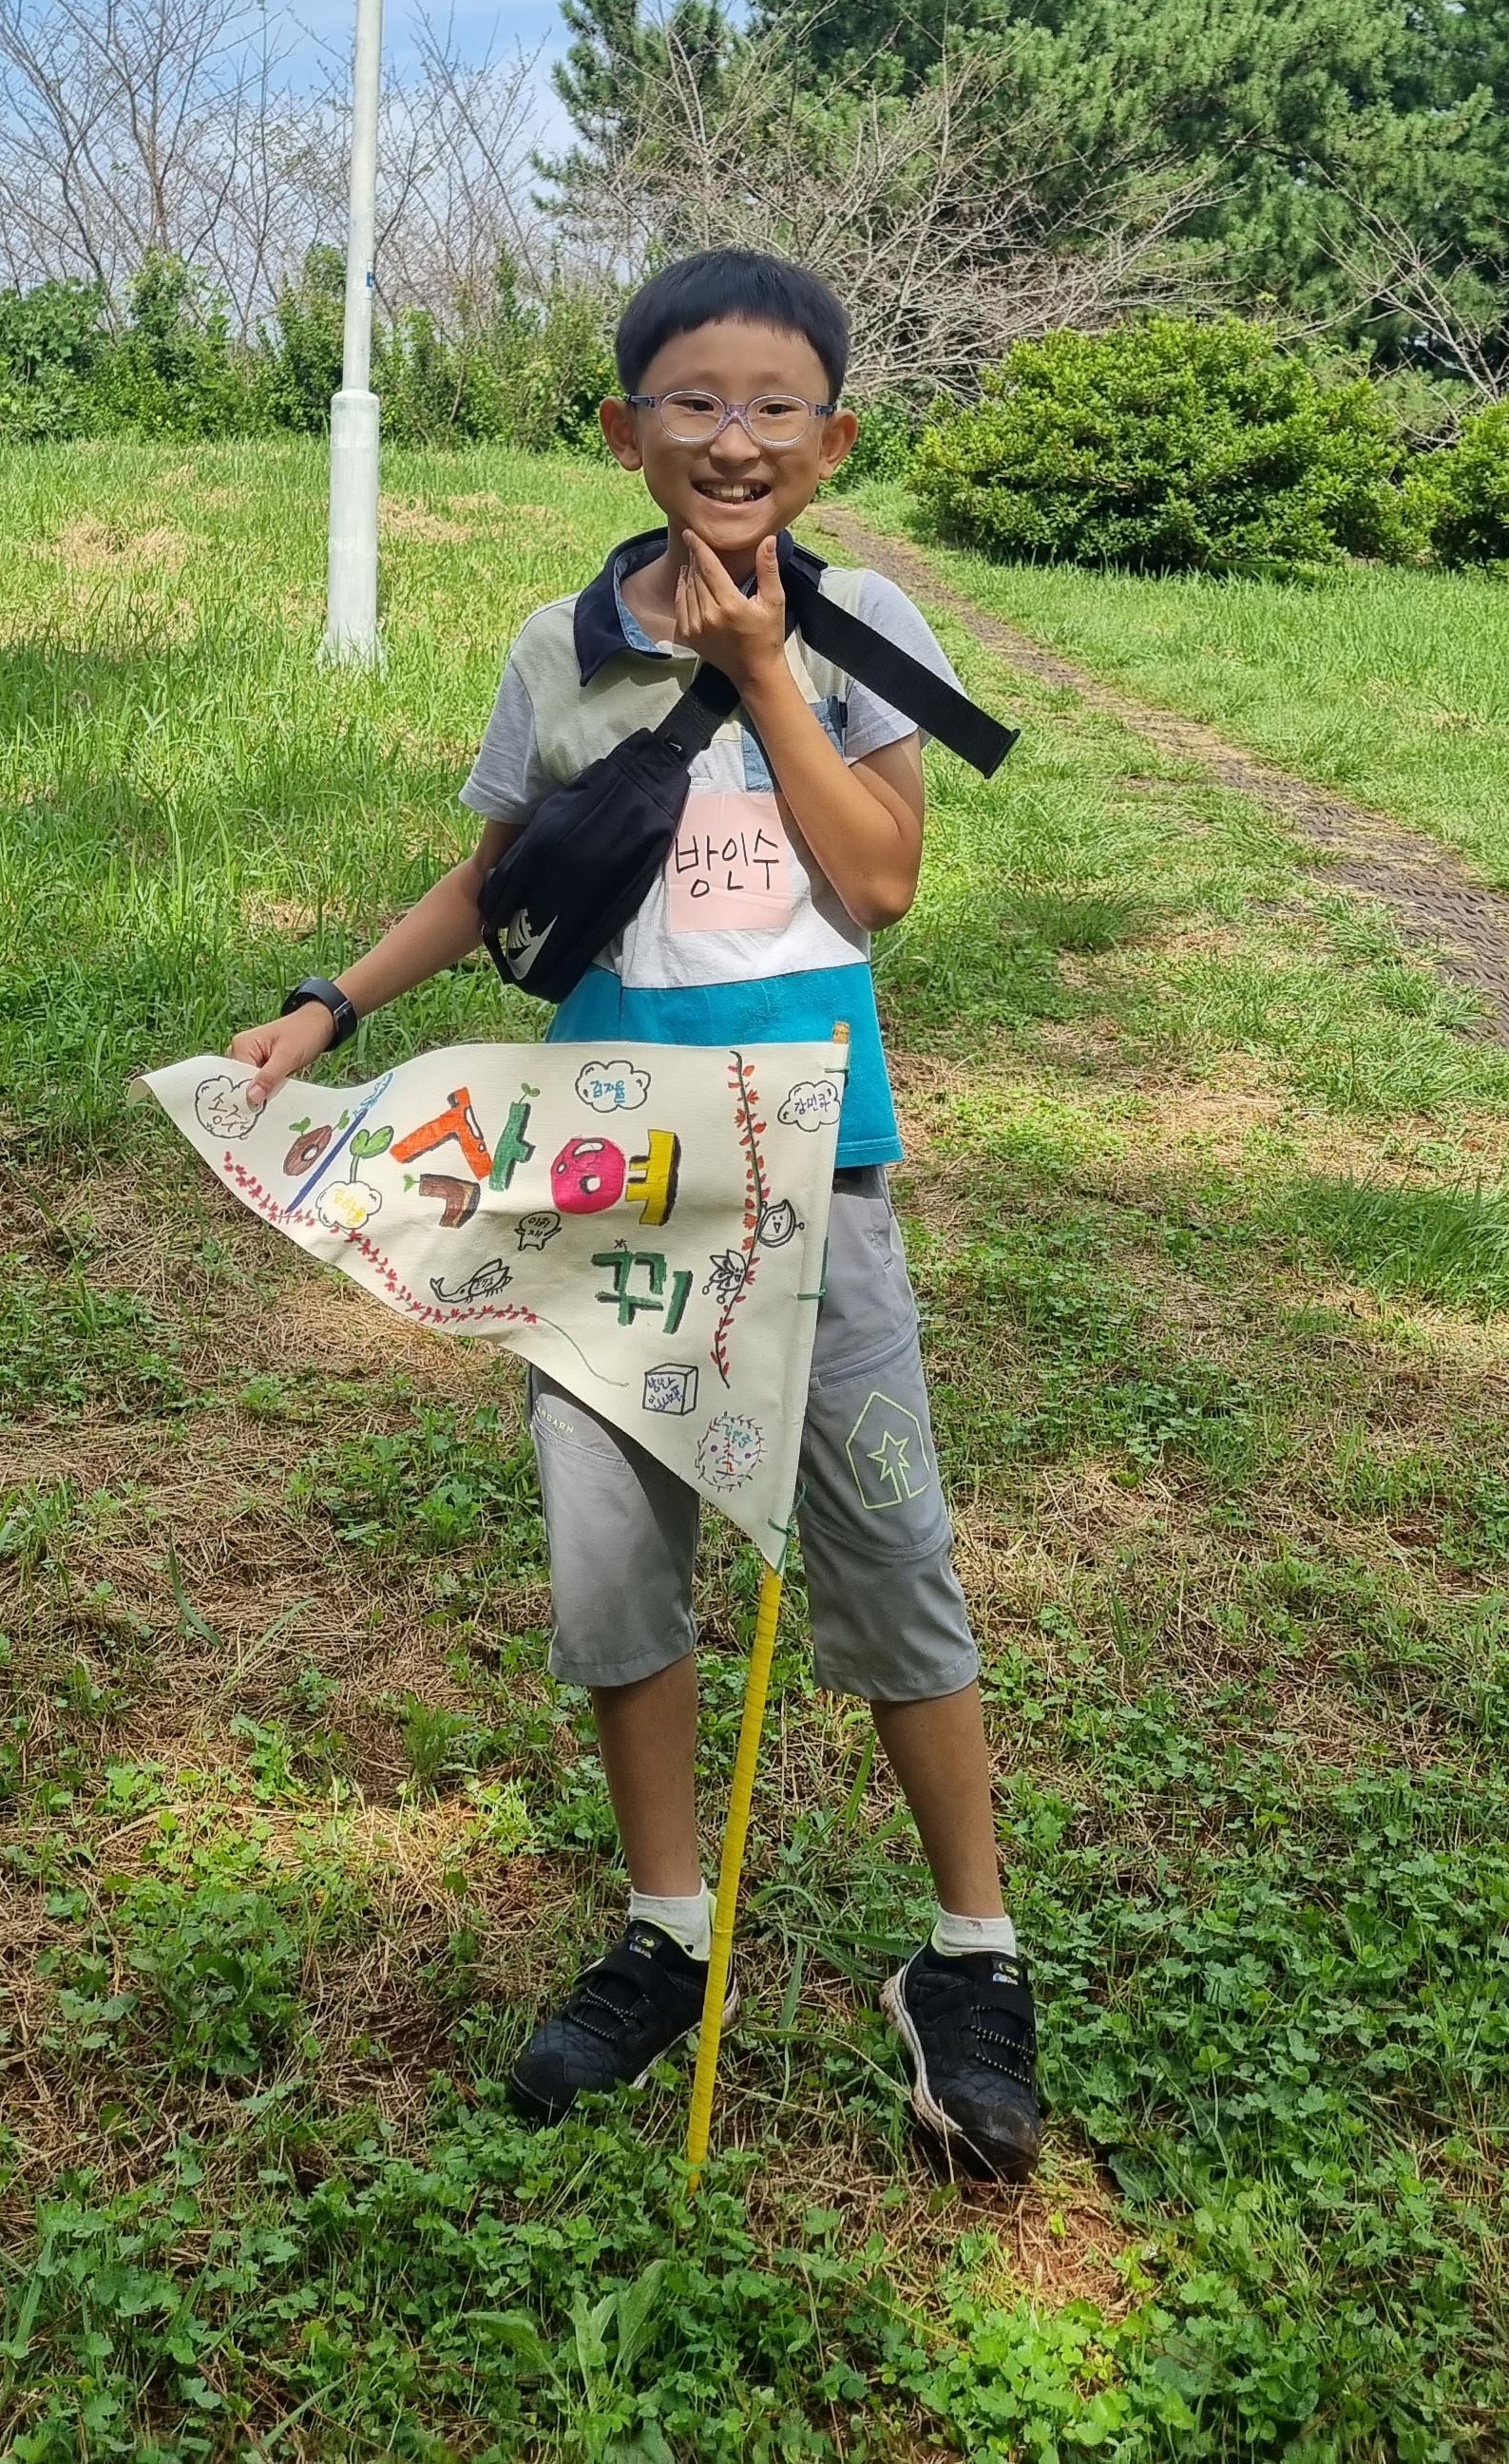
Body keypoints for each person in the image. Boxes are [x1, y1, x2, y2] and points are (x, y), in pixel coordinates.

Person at [229, 246, 1039, 2180]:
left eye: (775, 408)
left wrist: (762, 669)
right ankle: (667, 1931)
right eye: (693, 401)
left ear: (834, 440)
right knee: (615, 1568)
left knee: (887, 1549)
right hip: (603, 1180)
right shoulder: (559, 647)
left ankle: (971, 1957)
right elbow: (493, 881)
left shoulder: (864, 626)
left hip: (816, 1170)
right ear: (623, 429)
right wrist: (331, 1006)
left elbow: (882, 884)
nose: (733, 438)